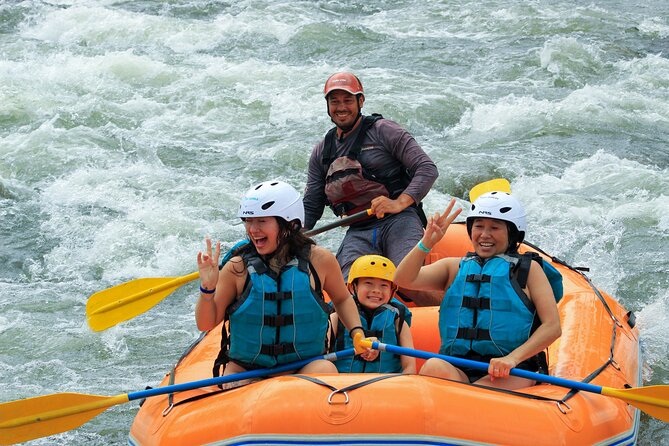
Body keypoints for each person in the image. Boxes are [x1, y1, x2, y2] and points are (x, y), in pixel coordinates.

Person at [196, 180, 367, 376]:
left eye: (262, 221)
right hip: (248, 369)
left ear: (290, 224)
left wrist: (357, 332)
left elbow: (342, 299)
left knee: (326, 369)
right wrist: (207, 289)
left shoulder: (319, 260)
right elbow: (206, 324)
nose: (252, 229)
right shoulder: (237, 267)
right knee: (234, 380)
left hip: (304, 365)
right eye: (248, 221)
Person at [393, 192, 562, 390]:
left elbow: (552, 327)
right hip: (460, 367)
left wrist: (512, 359)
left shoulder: (528, 271)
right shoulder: (454, 268)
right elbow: (403, 279)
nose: (484, 234)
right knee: (433, 366)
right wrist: (427, 242)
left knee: (484, 391)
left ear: (513, 233)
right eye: (479, 226)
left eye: (495, 227)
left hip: (511, 369)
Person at [303, 71, 440, 306]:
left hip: (399, 220)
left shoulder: (384, 131)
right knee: (347, 292)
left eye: (348, 100)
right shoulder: (322, 152)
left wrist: (399, 203)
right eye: (334, 101)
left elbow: (427, 169)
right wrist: (292, 232)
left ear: (361, 101)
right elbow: (311, 205)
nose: (341, 107)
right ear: (327, 105)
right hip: (358, 230)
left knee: (407, 282)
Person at [330, 254, 416, 374]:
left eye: (384, 285)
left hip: (385, 386)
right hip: (343, 385)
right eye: (368, 283)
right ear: (352, 287)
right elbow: (323, 356)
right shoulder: (336, 318)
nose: (376, 290)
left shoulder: (398, 321)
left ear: (392, 291)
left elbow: (410, 366)